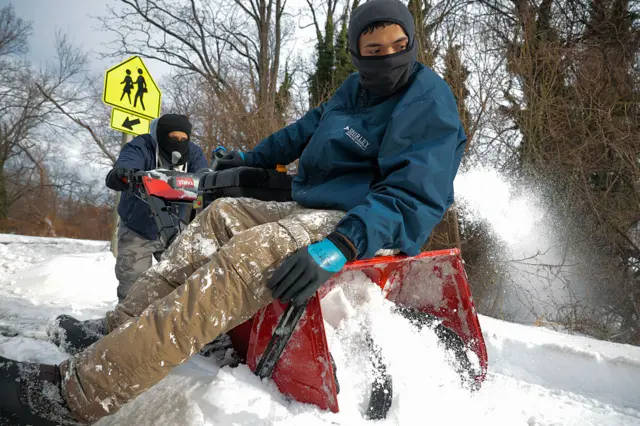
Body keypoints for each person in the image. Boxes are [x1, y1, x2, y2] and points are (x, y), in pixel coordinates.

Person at [0, 0, 467, 424]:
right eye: (375, 47)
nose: (388, 57)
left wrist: (339, 245)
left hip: (367, 223)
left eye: (399, 46)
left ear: (412, 44)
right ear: (357, 52)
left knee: (250, 254)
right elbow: (300, 133)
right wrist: (249, 158)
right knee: (217, 219)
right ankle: (115, 331)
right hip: (319, 204)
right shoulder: (353, 90)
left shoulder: (428, 101)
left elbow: (410, 197)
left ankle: (77, 393)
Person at [106, 113, 208, 302]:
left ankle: (170, 322)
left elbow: (204, 174)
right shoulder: (142, 146)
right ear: (161, 135)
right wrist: (125, 174)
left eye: (183, 139)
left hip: (176, 227)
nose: (178, 143)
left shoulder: (193, 152)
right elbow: (128, 162)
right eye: (173, 138)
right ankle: (126, 323)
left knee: (182, 281)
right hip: (138, 227)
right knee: (132, 281)